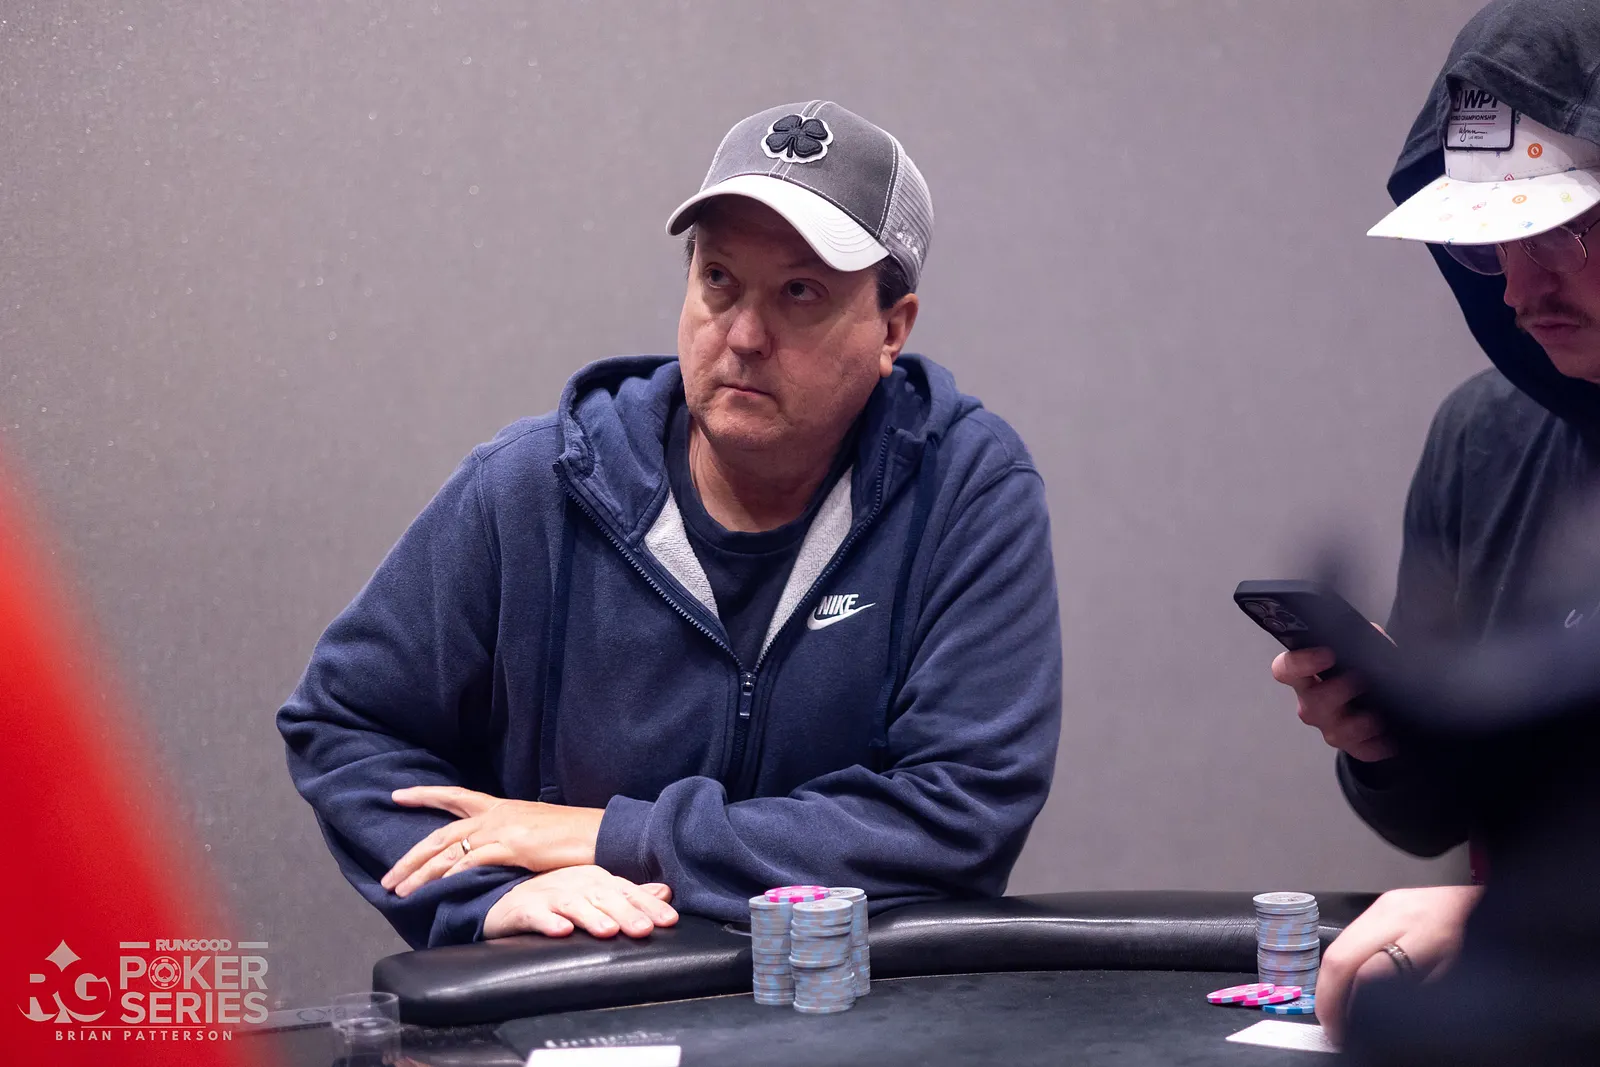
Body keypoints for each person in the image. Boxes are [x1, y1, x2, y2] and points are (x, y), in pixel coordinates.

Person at [277, 101, 1063, 950]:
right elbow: (346, 723)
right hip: (589, 998)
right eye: (719, 279)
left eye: (800, 292)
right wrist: (487, 896)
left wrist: (618, 836)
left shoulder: (965, 492)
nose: (746, 335)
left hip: (849, 1005)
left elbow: (963, 811)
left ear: (892, 330)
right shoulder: (536, 487)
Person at [1264, 0, 1600, 1040]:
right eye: (1489, 238)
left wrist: (1543, 929)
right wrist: (1384, 742)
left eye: (1563, 227)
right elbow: (1431, 822)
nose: (1522, 284)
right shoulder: (1481, 437)